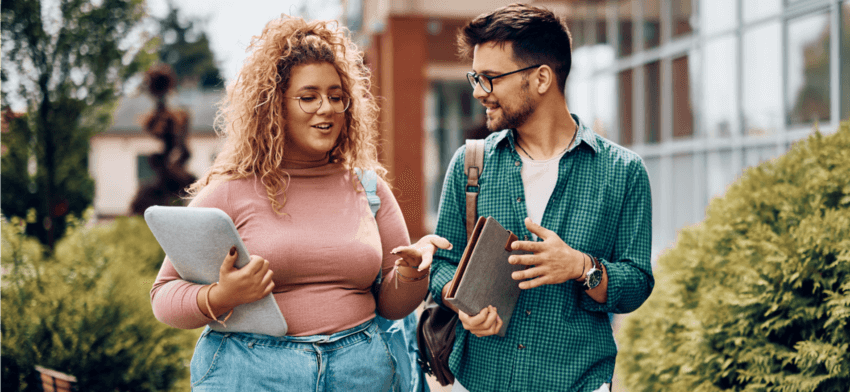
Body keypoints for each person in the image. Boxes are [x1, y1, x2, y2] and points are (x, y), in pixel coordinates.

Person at [150, 15, 448, 392]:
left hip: (361, 372)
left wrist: (411, 274)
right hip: (252, 372)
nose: (326, 108)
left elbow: (392, 307)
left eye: (336, 97)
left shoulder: (369, 189)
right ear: (274, 106)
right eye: (308, 97)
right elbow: (164, 296)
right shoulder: (230, 192)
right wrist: (222, 295)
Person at [428, 4, 654, 392]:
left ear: (542, 78)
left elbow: (637, 282)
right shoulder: (471, 165)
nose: (478, 92)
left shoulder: (623, 172)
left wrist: (581, 267)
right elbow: (443, 264)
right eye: (475, 77)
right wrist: (462, 304)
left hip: (577, 382)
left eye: (491, 78)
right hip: (481, 380)